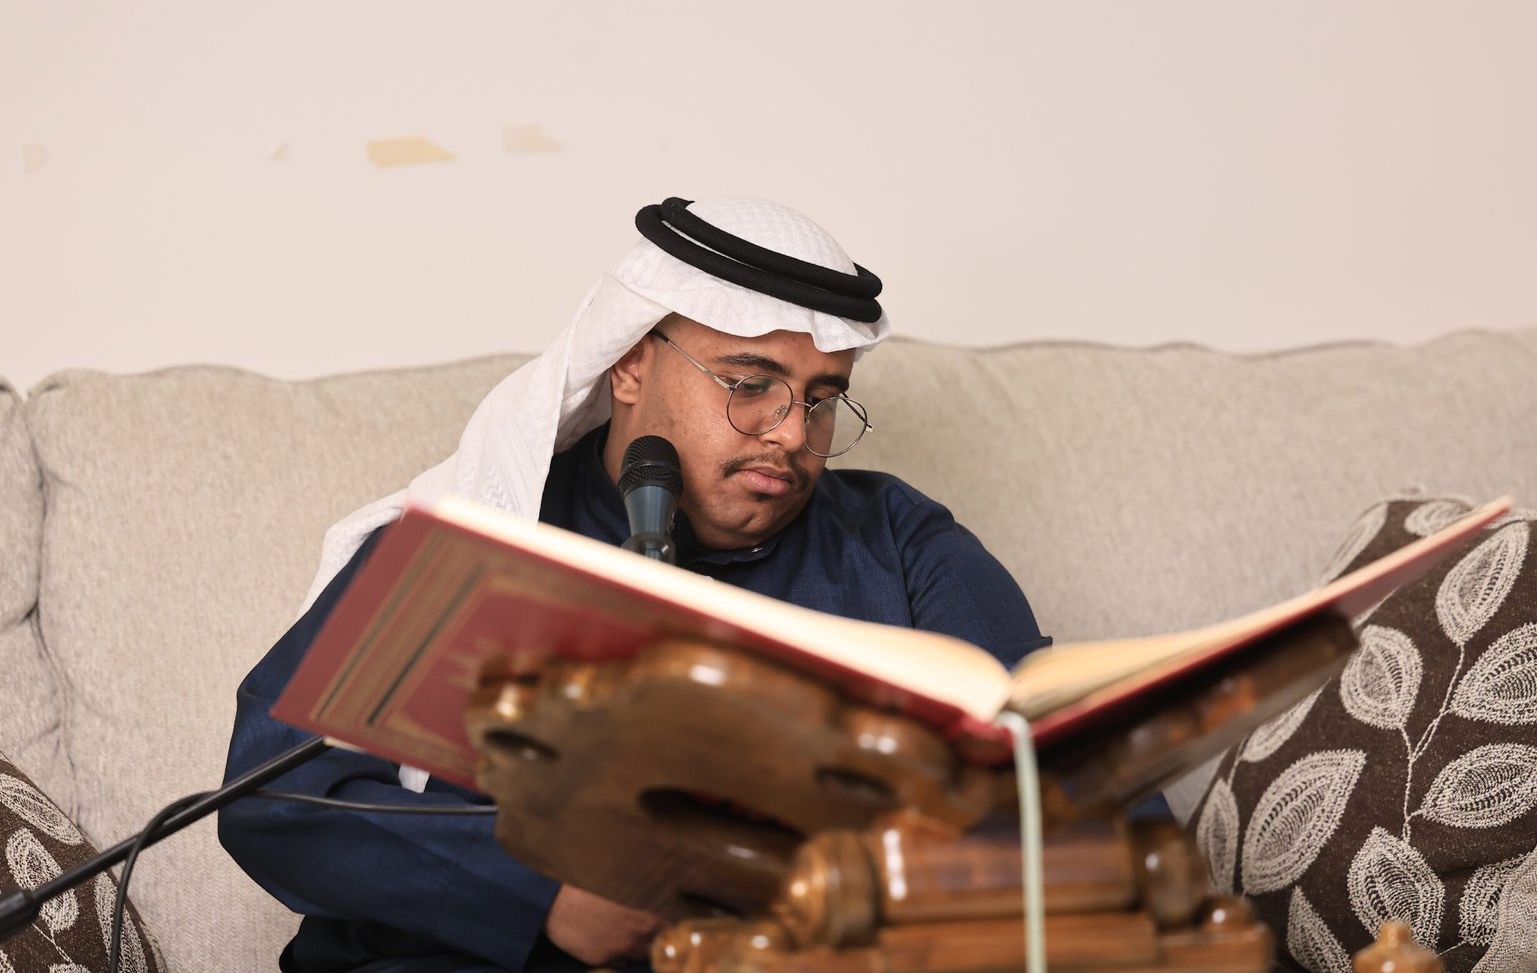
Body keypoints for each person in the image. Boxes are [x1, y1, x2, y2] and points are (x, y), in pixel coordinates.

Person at [219, 196, 1049, 973]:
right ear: (628, 368)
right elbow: (277, 796)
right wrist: (544, 900)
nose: (793, 434)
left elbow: (1060, 783)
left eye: (822, 399)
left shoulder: (898, 543)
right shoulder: (487, 531)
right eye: (750, 384)